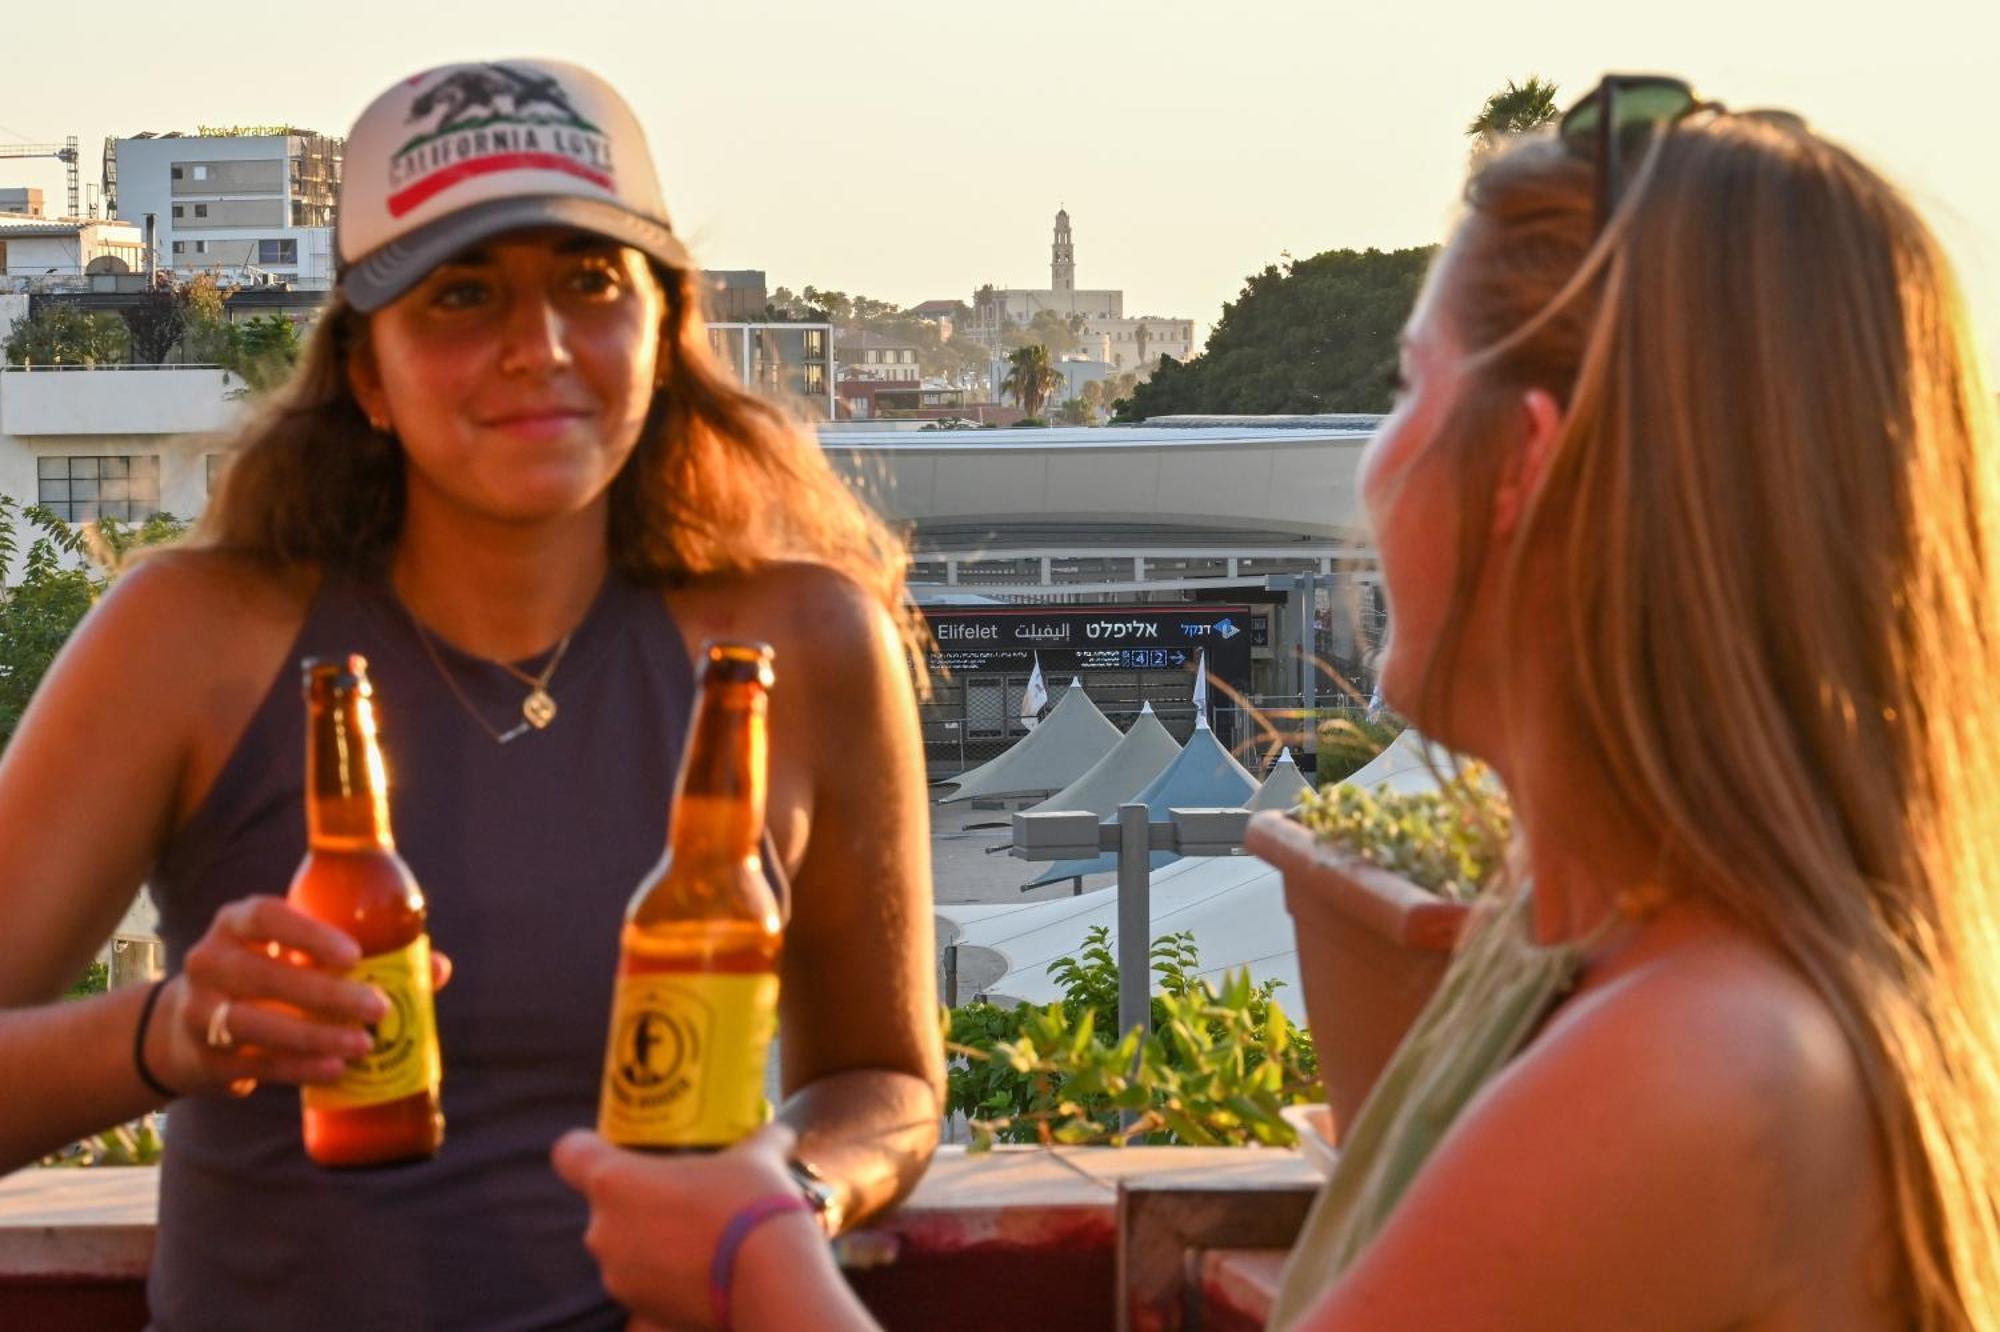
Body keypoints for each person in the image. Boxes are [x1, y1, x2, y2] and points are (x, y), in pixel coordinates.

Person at [559, 75, 2000, 1330]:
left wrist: (751, 1255)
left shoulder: (1694, 1070)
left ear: (1527, 474)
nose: (1371, 470)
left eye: (1408, 389)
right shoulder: (1618, 956)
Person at [0, 59, 942, 1331]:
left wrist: (778, 1203)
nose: (537, 345)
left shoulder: (796, 645)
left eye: (589, 282)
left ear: (663, 335)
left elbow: (883, 1078)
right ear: (367, 377)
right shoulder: (192, 638)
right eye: (460, 296)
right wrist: (170, 1033)